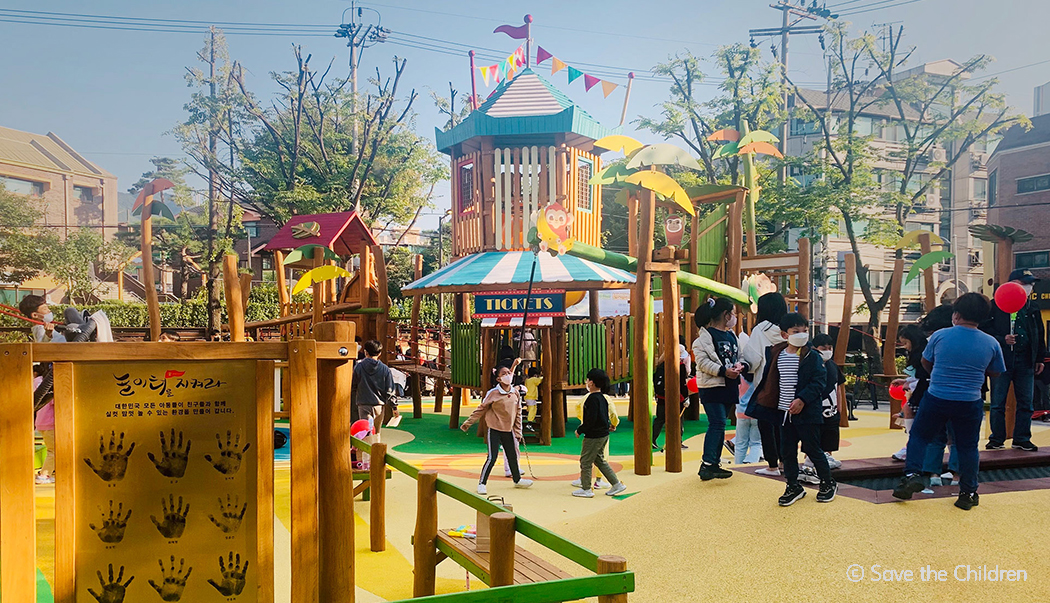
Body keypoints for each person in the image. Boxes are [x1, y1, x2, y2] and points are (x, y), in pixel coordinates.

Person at [893, 293, 1006, 510]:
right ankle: (968, 492)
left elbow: (926, 362)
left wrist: (941, 373)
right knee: (967, 446)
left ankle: (911, 475)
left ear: (956, 315)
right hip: (970, 400)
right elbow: (996, 372)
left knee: (920, 436)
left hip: (937, 396)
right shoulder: (991, 342)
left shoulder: (940, 336)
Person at [751, 313, 834, 506]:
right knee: (787, 451)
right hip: (784, 413)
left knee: (813, 449)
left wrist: (802, 399)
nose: (802, 335)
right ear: (784, 334)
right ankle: (793, 485)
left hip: (807, 413)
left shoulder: (812, 356)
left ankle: (827, 482)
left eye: (804, 331)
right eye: (796, 331)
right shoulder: (777, 354)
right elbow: (771, 381)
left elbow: (818, 381)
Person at [981, 268, 1046, 452]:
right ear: (1014, 284)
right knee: (997, 403)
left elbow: (1039, 333)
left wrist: (1040, 358)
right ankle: (996, 439)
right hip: (1001, 360)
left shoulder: (1031, 307)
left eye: (1031, 284)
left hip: (1026, 359)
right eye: (1026, 283)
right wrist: (1003, 339)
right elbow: (984, 330)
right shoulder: (996, 305)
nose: (1030, 287)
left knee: (1026, 403)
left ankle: (1022, 438)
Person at [692, 297, 746, 480]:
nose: (734, 317)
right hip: (712, 386)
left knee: (720, 424)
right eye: (733, 313)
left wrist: (740, 366)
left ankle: (713, 463)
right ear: (726, 314)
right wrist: (723, 371)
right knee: (717, 423)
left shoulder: (732, 336)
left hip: (729, 385)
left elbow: (740, 356)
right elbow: (703, 363)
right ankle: (707, 463)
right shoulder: (703, 339)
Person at [461, 365, 534, 494]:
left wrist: (518, 431)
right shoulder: (493, 393)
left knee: (512, 456)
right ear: (499, 379)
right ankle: (482, 483)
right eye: (504, 373)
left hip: (508, 430)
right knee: (492, 457)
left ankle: (517, 480)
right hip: (494, 429)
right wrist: (469, 422)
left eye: (509, 372)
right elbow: (481, 408)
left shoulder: (515, 393)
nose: (508, 375)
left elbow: (518, 413)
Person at [741, 292, 788, 476]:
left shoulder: (761, 329)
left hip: (767, 385)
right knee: (784, 426)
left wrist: (743, 365)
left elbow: (752, 359)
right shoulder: (790, 329)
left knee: (766, 425)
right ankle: (785, 462)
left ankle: (772, 465)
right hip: (789, 385)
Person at [572, 368, 627, 498]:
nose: (586, 382)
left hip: (593, 436)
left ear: (591, 382)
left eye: (587, 380)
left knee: (585, 461)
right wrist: (609, 426)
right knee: (599, 460)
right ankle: (616, 484)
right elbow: (604, 416)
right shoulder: (603, 398)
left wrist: (580, 430)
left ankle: (586, 488)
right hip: (603, 434)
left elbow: (590, 420)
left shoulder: (591, 399)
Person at [810, 333, 844, 470]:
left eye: (830, 348)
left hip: (832, 409)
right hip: (816, 409)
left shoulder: (833, 366)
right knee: (814, 437)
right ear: (815, 348)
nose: (828, 351)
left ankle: (828, 457)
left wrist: (840, 407)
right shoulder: (811, 364)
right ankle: (811, 461)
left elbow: (839, 386)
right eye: (823, 348)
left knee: (830, 437)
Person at [353, 340, 395, 429]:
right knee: (377, 431)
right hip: (378, 404)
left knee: (365, 431)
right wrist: (394, 406)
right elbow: (390, 389)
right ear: (379, 353)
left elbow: (353, 385)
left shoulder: (359, 367)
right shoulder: (385, 369)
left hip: (363, 403)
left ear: (365, 352)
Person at [652, 359, 689, 452]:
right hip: (676, 397)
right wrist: (685, 397)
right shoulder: (680, 365)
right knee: (678, 420)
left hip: (662, 397)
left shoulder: (661, 365)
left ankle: (652, 439)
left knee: (660, 419)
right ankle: (677, 441)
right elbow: (682, 383)